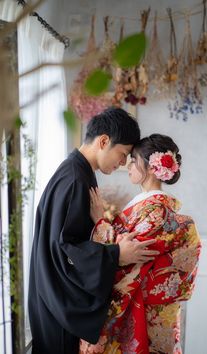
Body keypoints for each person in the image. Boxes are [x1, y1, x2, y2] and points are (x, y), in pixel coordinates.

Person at [28, 108, 158, 354]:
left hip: (51, 297)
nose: (123, 162)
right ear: (104, 141)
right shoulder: (75, 179)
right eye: (122, 154)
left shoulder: (77, 172)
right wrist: (116, 254)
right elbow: (65, 249)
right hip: (58, 305)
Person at [80, 134, 202, 354]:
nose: (128, 165)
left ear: (151, 167)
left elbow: (125, 254)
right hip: (148, 308)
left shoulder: (157, 212)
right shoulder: (149, 207)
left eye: (133, 159)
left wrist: (100, 222)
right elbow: (123, 244)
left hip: (147, 313)